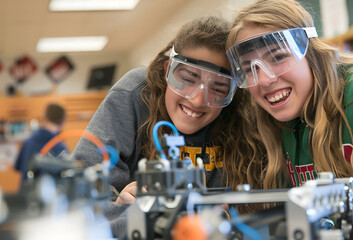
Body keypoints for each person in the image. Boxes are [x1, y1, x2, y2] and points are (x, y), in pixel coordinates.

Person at [225, 0, 353, 238]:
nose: (263, 80)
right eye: (250, 69)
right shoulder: (269, 121)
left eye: (278, 57)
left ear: (310, 51)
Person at [72, 16, 265, 237]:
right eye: (189, 78)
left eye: (219, 87)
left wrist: (226, 224)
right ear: (167, 71)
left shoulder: (244, 113)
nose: (197, 100)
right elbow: (76, 198)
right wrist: (127, 209)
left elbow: (259, 214)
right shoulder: (134, 95)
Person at [15, 103, 68, 179]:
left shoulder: (28, 141)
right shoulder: (61, 148)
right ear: (62, 123)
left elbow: (17, 166)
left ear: (44, 118)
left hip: (26, 189)